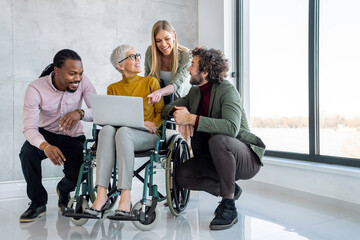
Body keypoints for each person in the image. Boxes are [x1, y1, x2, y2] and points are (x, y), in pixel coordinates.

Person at [161, 47, 265, 230]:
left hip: (244, 157)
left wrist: (192, 119)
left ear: (206, 72)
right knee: (182, 176)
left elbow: (231, 128)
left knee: (219, 140)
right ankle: (230, 189)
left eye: (192, 65)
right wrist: (181, 114)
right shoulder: (195, 92)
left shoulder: (227, 90)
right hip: (214, 159)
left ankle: (228, 205)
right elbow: (167, 109)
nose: (188, 69)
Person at [84, 45, 164, 218]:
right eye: (132, 56)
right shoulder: (113, 88)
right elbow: (113, 119)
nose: (137, 59)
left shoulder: (151, 82)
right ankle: (101, 194)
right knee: (106, 130)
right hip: (122, 135)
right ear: (119, 65)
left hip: (148, 135)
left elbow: (160, 115)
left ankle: (125, 197)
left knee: (123, 132)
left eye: (137, 55)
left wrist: (148, 125)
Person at [19, 49, 97, 223]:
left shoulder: (83, 83)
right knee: (27, 153)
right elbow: (29, 128)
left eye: (80, 73)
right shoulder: (35, 88)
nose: (78, 78)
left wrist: (81, 113)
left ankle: (63, 190)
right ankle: (38, 202)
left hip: (72, 137)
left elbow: (99, 110)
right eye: (72, 74)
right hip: (45, 134)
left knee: (81, 172)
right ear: (57, 70)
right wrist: (45, 146)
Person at [145, 20, 192, 104]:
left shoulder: (187, 55)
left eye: (167, 39)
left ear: (174, 36)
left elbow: (177, 83)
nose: (163, 44)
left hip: (182, 103)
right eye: (158, 41)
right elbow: (147, 78)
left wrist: (159, 92)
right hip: (158, 102)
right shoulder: (150, 52)